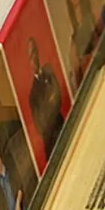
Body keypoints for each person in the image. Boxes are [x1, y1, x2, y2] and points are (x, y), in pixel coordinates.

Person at [26, 31, 64, 166]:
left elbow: (58, 96)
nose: (34, 58)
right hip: (51, 143)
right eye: (30, 56)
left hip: (62, 128)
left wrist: (48, 108)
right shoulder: (32, 96)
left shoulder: (48, 71)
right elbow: (40, 125)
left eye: (35, 52)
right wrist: (50, 102)